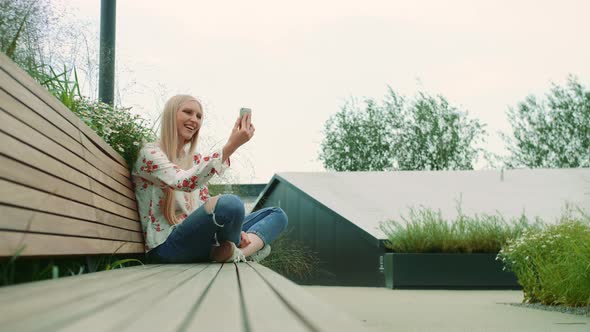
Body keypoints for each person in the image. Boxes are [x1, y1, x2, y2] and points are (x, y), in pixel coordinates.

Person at [132, 94, 288, 263]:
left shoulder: (195, 159)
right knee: (231, 204)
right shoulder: (149, 154)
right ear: (171, 115)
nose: (194, 119)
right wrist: (231, 146)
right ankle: (240, 252)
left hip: (200, 239)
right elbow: (184, 182)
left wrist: (235, 230)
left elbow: (204, 202)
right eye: (188, 112)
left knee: (277, 215)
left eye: (199, 116)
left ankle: (232, 250)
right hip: (166, 246)